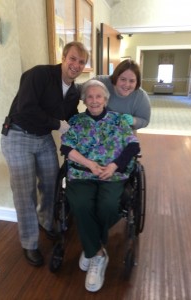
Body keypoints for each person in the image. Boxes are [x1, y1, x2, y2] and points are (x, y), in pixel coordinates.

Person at [1, 41, 89, 267]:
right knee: (24, 191)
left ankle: (46, 221)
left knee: (51, 183)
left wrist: (92, 130)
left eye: (81, 62)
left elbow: (72, 119)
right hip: (18, 135)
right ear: (63, 57)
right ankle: (29, 243)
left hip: (42, 138)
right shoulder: (39, 75)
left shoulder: (74, 92)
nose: (76, 65)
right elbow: (26, 108)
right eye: (72, 58)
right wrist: (56, 124)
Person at [60, 79, 140, 292]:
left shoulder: (118, 120)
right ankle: (97, 254)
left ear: (105, 99)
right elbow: (67, 148)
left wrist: (114, 166)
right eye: (90, 97)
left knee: (107, 206)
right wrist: (89, 164)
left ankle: (90, 246)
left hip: (111, 174)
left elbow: (133, 146)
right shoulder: (76, 121)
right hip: (83, 173)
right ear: (84, 100)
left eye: (98, 96)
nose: (94, 100)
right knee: (79, 204)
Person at [94, 59, 151, 130]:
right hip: (97, 127)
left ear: (137, 82)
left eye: (132, 81)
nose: (127, 84)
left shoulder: (141, 97)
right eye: (123, 79)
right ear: (116, 77)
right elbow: (80, 90)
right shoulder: (101, 82)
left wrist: (134, 120)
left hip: (124, 131)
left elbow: (145, 120)